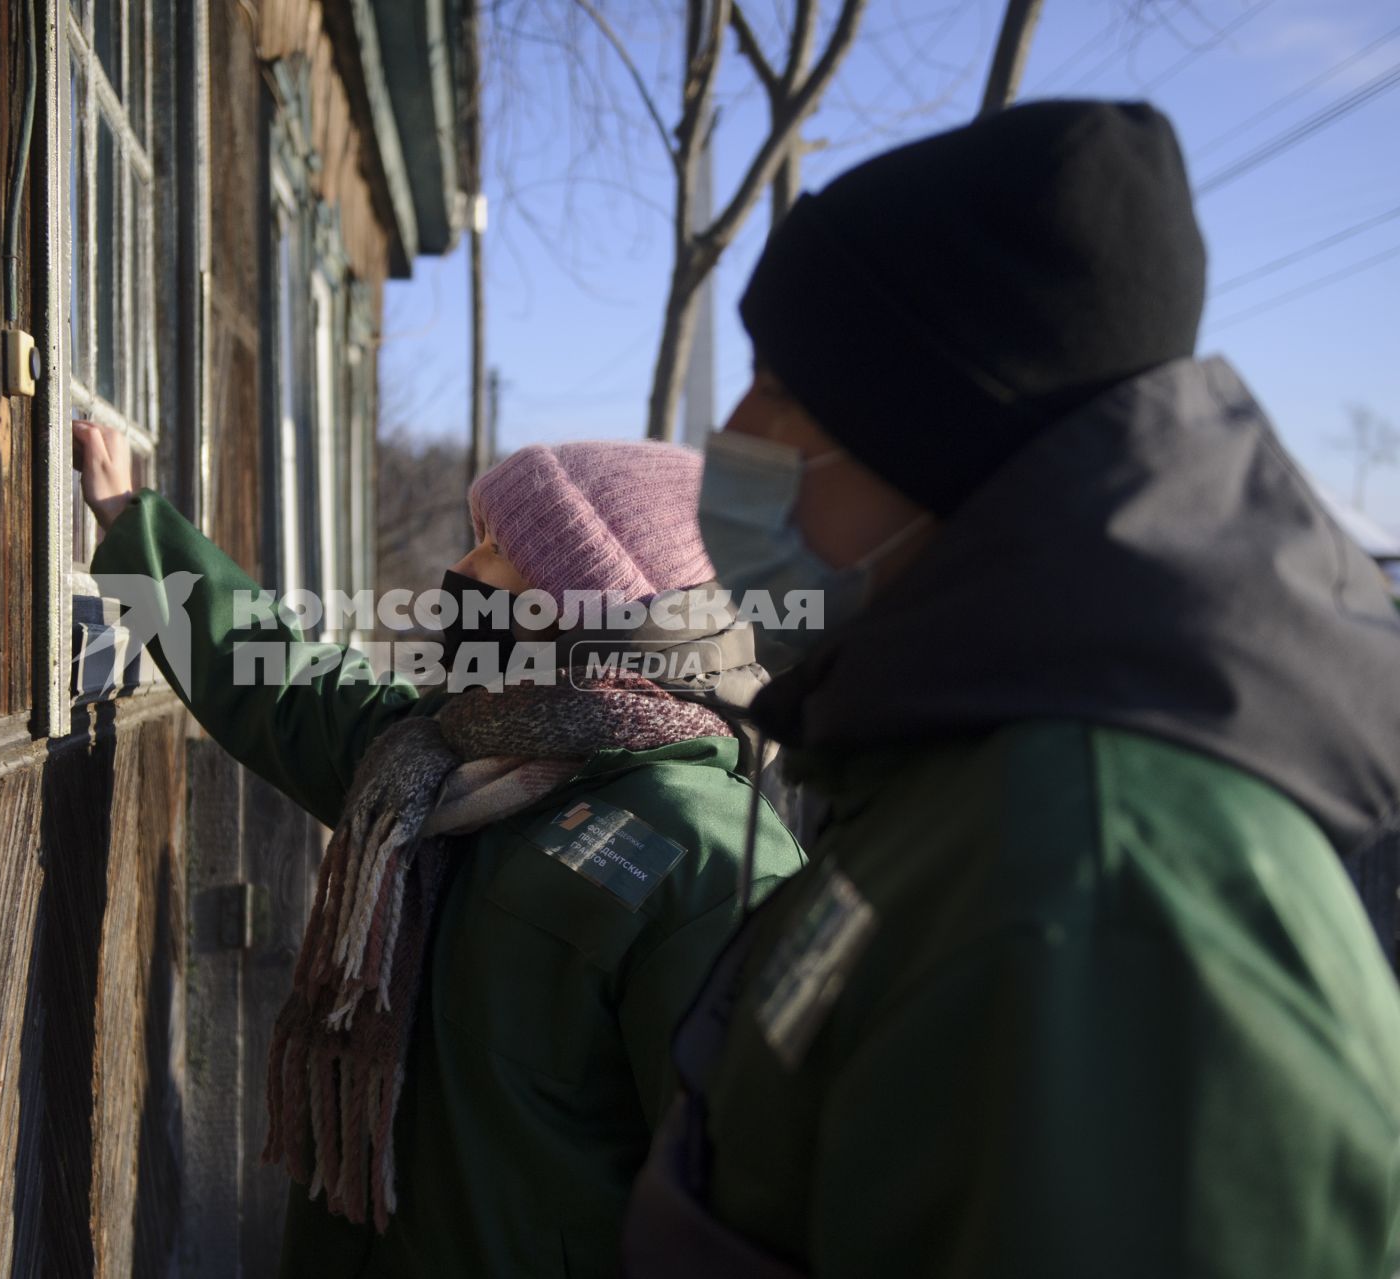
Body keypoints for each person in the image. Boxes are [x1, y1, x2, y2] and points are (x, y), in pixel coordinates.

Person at [624, 99, 1400, 1278]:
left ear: (935, 439)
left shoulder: (1101, 892)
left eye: (783, 388)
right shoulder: (964, 778)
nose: (733, 433)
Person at [75, 429, 804, 1276]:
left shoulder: (713, 860)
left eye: (498, 546)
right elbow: (277, 678)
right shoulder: (441, 755)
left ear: (591, 597)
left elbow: (756, 1204)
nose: (463, 568)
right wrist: (134, 529)